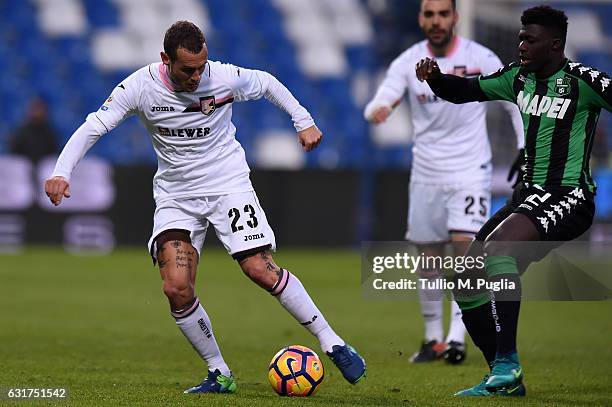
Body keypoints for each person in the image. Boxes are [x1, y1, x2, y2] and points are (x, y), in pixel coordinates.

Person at [44, 21, 366, 394]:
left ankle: (332, 341)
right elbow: (94, 126)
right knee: (176, 287)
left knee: (259, 269)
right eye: (187, 70)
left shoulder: (222, 77)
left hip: (228, 185)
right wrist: (61, 172)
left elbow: (267, 83)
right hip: (176, 197)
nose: (198, 76)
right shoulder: (139, 87)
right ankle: (219, 373)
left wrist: (304, 120)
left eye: (202, 66)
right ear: (165, 60)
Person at [416, 5, 611, 396]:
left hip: (569, 197)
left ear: (555, 45)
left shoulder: (583, 81)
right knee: (466, 273)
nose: (521, 44)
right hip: (528, 197)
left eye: (530, 39)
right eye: (520, 37)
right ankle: (501, 378)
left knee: (498, 251)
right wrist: (436, 79)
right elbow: (467, 91)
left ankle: (507, 365)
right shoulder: (517, 77)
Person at [364, 0, 524, 364]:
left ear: (455, 16)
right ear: (421, 19)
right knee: (429, 257)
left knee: (464, 252)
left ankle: (457, 339)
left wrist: (523, 146)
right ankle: (434, 338)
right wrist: (380, 109)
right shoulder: (407, 61)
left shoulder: (480, 57)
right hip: (426, 173)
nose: (436, 21)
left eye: (443, 13)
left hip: (469, 170)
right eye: (429, 14)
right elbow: (381, 98)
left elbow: (513, 101)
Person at [10, 98, 59, 162]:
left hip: (44, 165)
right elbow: (14, 153)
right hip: (24, 164)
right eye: (35, 109)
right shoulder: (21, 132)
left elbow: (53, 152)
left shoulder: (49, 132)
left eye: (39, 109)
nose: (37, 113)